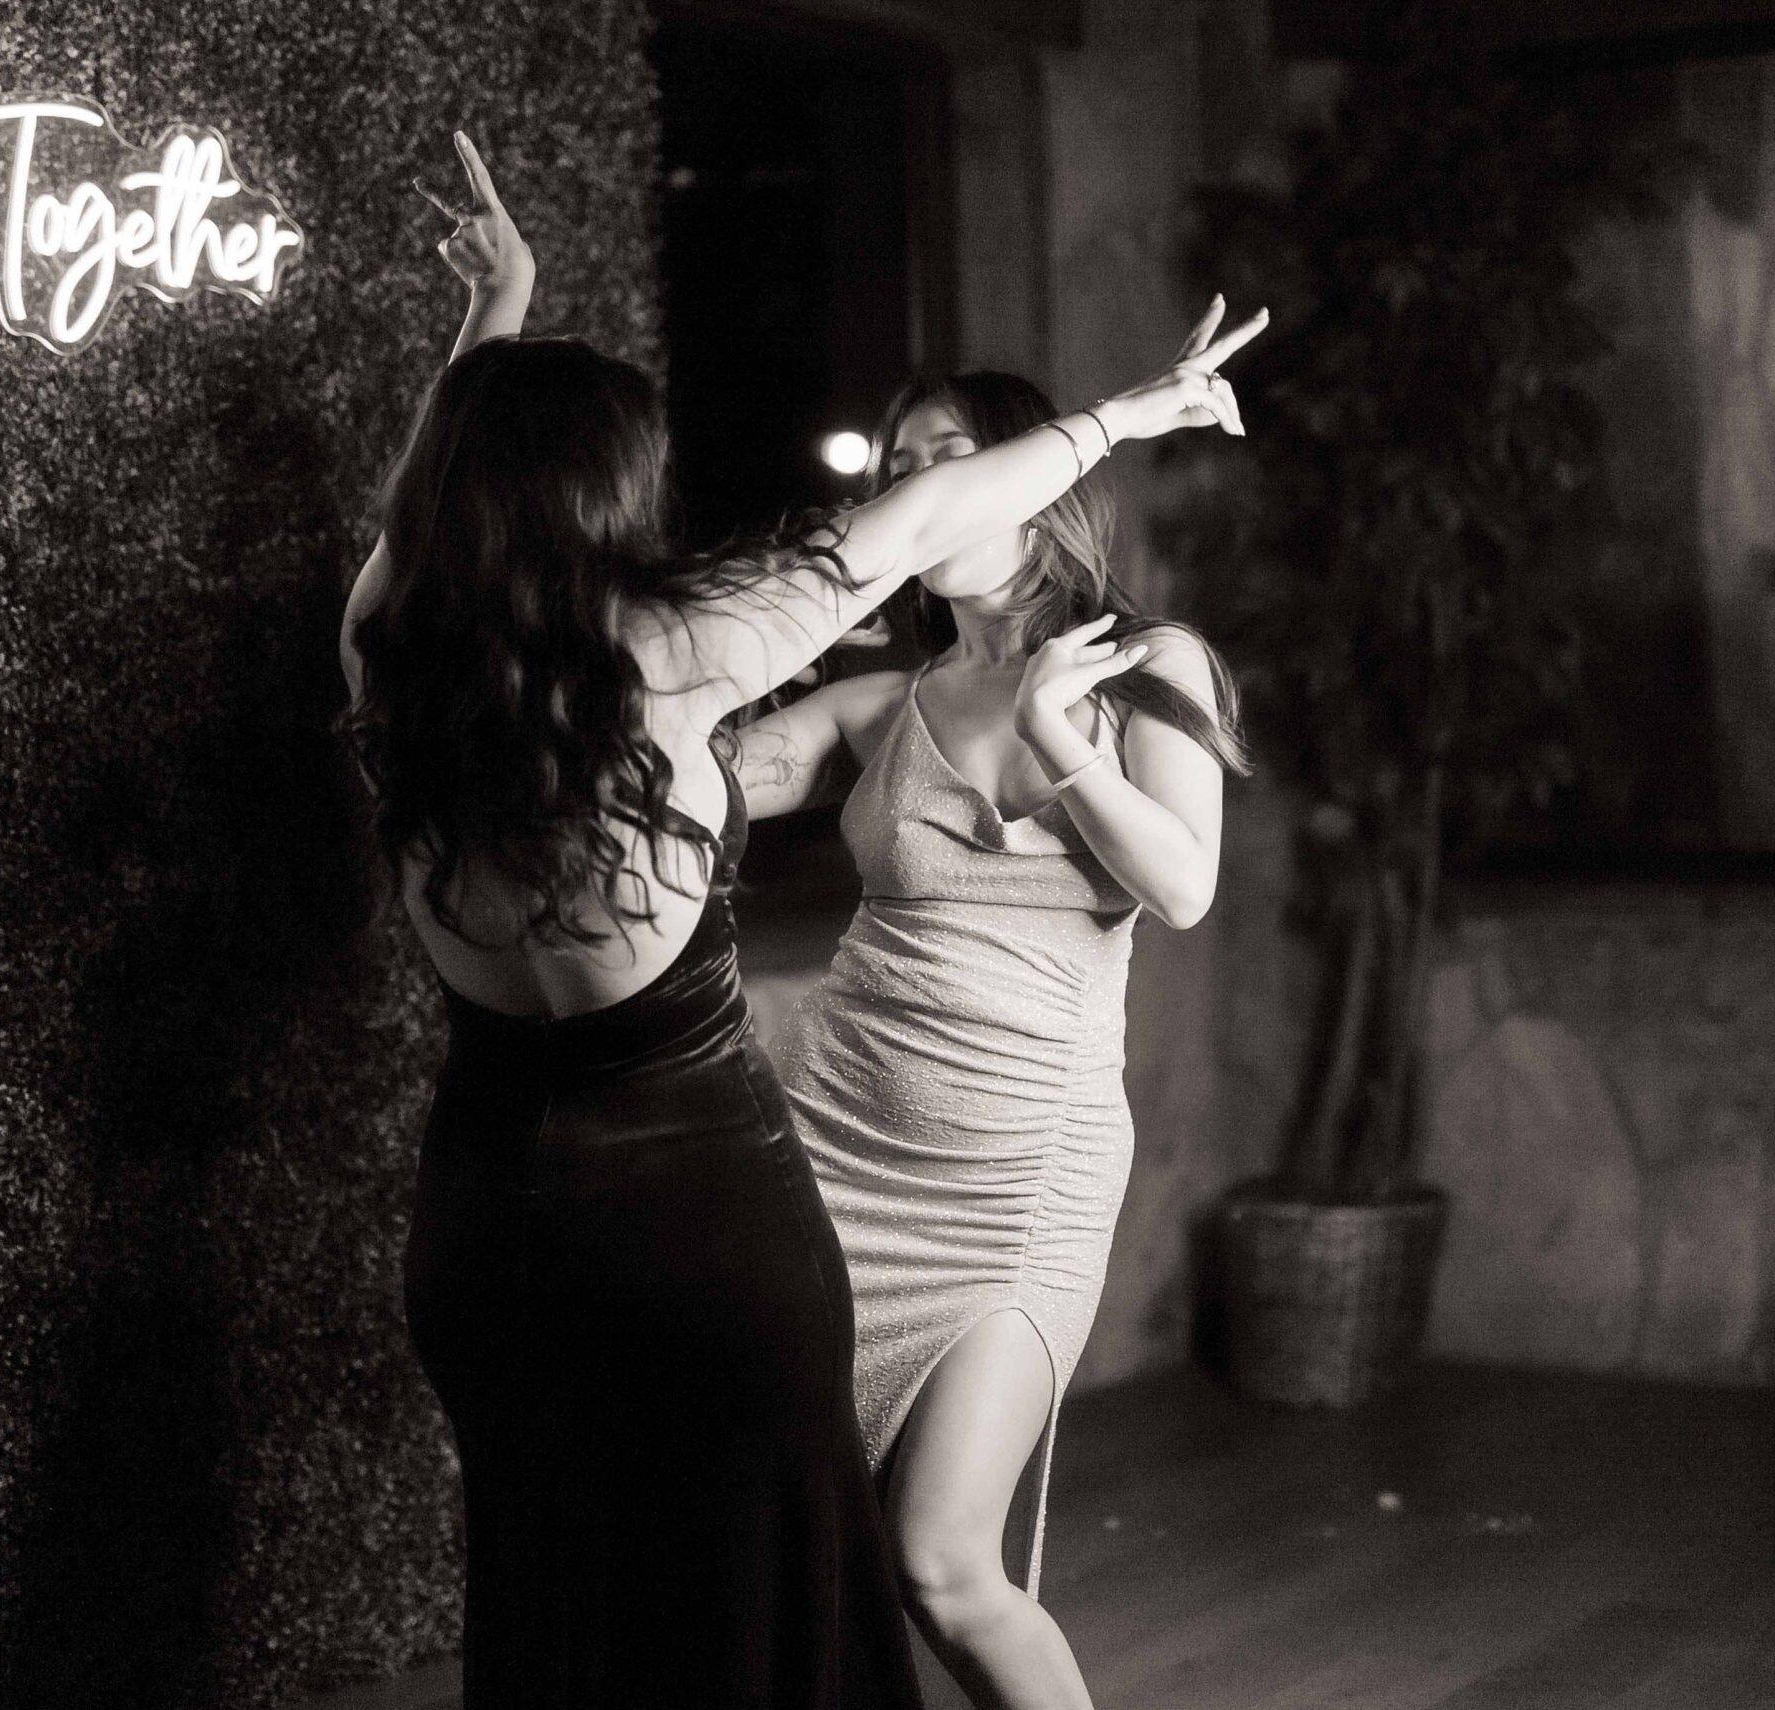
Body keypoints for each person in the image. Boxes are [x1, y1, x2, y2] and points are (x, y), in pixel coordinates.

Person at [337, 134, 1264, 1709]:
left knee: (572, 1570)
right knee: (768, 1601)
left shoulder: (385, 652)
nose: (911, 483)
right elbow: (894, 543)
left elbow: (434, 519)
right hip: (702, 1213)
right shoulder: (676, 651)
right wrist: (1126, 413)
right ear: (604, 497)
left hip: (488, 1208)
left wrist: (491, 324)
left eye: (939, 454)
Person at [734, 354, 1257, 1710]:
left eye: (946, 453)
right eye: (898, 465)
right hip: (827, 1155)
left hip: (1016, 1186)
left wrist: (1055, 735)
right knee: (760, 1523)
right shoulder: (877, 703)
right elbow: (689, 770)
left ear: (1039, 482)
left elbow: (1184, 886)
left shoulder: (1148, 665)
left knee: (944, 1560)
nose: (917, 484)